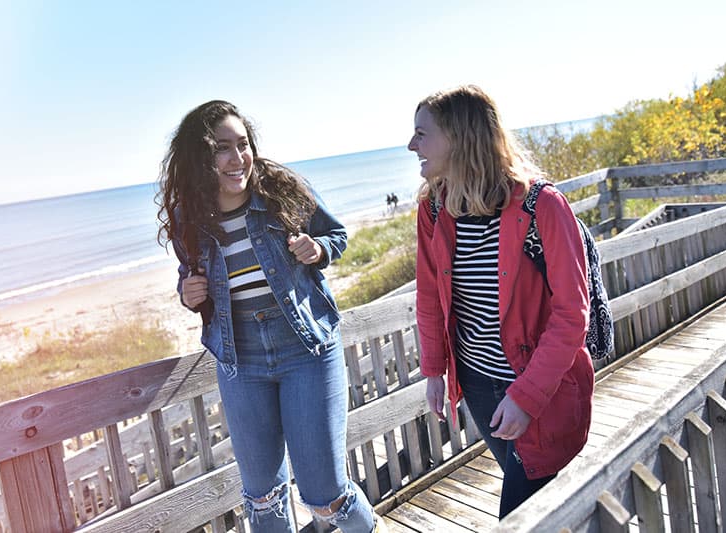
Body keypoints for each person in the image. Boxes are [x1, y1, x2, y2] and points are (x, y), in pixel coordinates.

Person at [156, 100, 385, 532]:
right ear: (199, 158)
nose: (237, 157)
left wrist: (318, 250)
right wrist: (188, 294)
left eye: (243, 144)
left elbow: (335, 235)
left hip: (307, 350)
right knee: (262, 500)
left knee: (325, 497)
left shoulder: (283, 190)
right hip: (241, 362)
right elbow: (195, 280)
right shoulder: (190, 217)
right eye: (222, 148)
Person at [408, 85, 594, 519]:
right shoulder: (433, 208)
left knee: (523, 516)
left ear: (460, 136)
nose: (411, 145)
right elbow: (430, 296)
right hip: (476, 385)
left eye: (422, 133)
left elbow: (572, 316)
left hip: (540, 390)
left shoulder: (541, 205)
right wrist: (435, 371)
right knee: (548, 510)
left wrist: (526, 397)